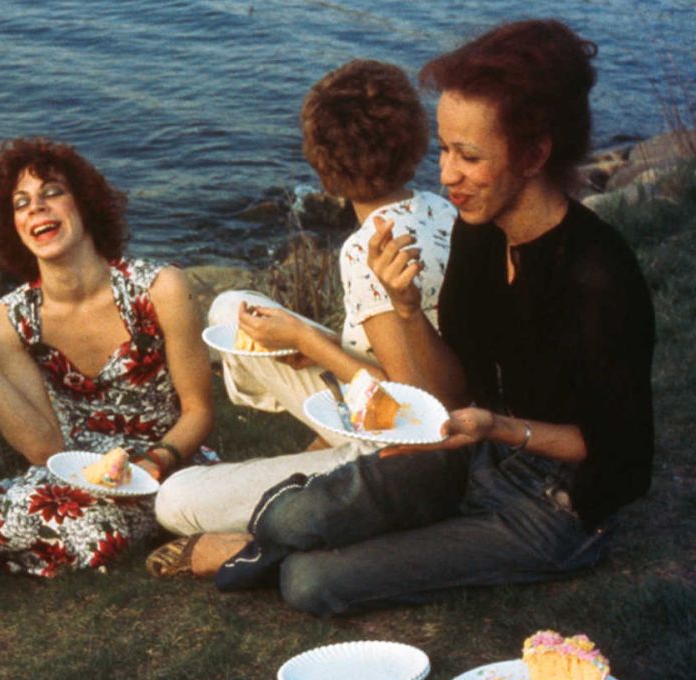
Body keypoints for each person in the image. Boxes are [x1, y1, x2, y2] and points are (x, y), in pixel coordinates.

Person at [211, 19, 654, 615]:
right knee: (295, 515)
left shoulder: (598, 273)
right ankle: (282, 532)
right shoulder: (477, 234)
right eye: (444, 149)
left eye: (469, 156)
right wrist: (406, 309)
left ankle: (278, 545)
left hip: (560, 506)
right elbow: (446, 392)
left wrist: (498, 428)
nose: (446, 176)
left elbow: (620, 456)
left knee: (310, 583)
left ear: (534, 154)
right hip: (477, 457)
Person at [150, 60, 462, 577]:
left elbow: (413, 409)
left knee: (174, 500)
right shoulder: (439, 208)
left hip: (401, 443)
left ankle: (279, 516)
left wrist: (305, 339)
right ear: (414, 138)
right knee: (234, 308)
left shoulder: (367, 249)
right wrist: (307, 342)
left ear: (324, 166)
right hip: (414, 399)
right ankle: (320, 445)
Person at [0, 137, 214, 576]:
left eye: (53, 192)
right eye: (22, 203)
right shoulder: (7, 320)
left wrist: (155, 461)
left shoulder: (161, 288)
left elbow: (200, 410)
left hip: (168, 463)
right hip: (72, 477)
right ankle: (7, 527)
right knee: (44, 510)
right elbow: (43, 448)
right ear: (13, 226)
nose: (37, 209)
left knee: (85, 529)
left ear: (84, 205)